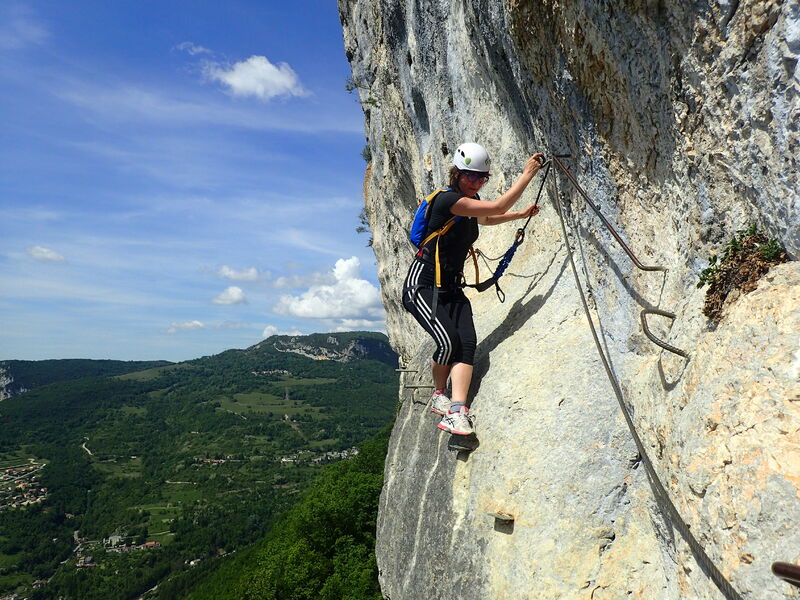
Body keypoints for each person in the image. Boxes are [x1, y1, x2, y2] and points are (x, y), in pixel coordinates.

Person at [402, 143, 545, 436]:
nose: (476, 182)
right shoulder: (447, 201)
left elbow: (487, 218)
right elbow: (495, 207)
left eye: (482, 178)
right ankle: (439, 392)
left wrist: (519, 215)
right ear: (456, 174)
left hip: (452, 287)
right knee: (448, 341)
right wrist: (527, 174)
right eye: (470, 176)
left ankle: (457, 410)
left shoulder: (470, 201)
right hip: (423, 286)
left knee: (467, 344)